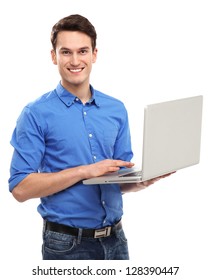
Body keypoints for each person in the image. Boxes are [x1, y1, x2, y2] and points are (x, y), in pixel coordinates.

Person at [8, 14, 171, 260]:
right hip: (66, 245)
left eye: (82, 51)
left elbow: (116, 179)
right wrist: (84, 171)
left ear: (94, 54)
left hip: (116, 240)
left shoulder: (116, 109)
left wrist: (140, 182)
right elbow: (20, 189)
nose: (75, 61)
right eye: (66, 52)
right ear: (54, 56)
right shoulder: (35, 114)